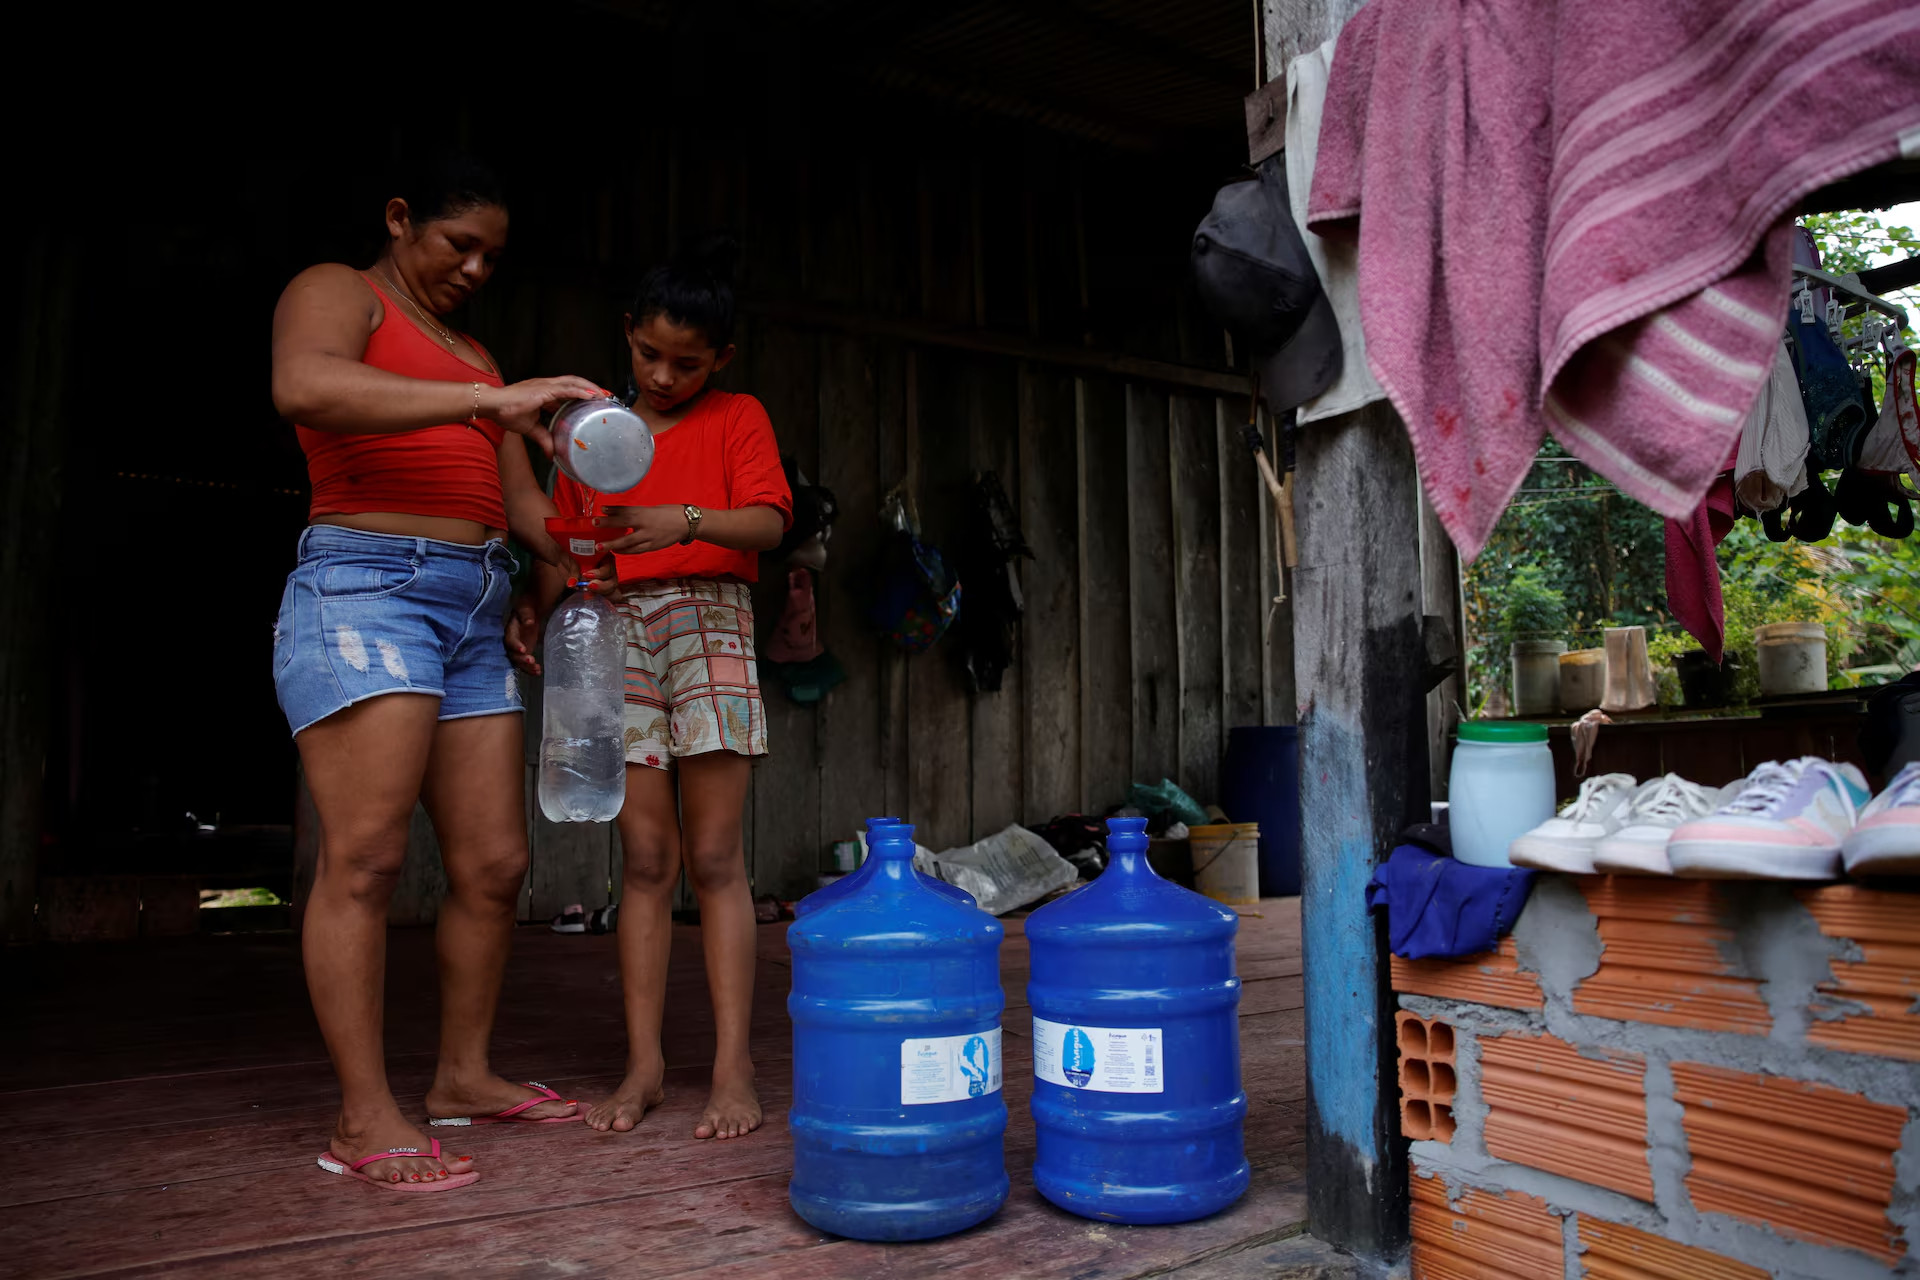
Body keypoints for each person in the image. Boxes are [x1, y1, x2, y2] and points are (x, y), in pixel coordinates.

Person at [270, 151, 607, 1191]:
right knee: (367, 858)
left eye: (492, 258)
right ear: (400, 218)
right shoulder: (343, 291)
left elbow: (523, 509)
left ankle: (462, 1073)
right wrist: (485, 396)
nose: (475, 270)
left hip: (471, 605)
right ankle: (361, 1115)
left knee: (497, 862)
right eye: (461, 246)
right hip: (367, 588)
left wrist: (583, 543)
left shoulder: (477, 360)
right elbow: (304, 383)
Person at [536, 237, 790, 1141]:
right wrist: (550, 601)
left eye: (688, 362)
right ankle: (643, 1064)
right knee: (644, 860)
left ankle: (732, 1065)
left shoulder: (738, 417)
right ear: (628, 335)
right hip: (618, 632)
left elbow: (767, 524)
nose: (664, 375)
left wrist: (679, 521)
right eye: (650, 354)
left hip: (710, 625)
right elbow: (564, 541)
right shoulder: (592, 435)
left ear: (722, 358)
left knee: (715, 856)